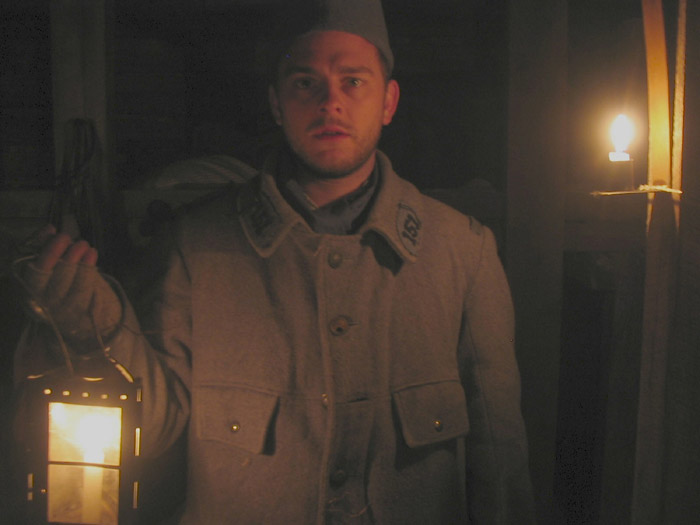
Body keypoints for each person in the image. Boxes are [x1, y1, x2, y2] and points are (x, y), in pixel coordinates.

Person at [14, 1, 534, 522]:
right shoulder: (196, 250)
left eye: (353, 81)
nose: (330, 102)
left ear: (388, 101)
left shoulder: (462, 253)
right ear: (277, 103)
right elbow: (154, 427)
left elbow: (500, 458)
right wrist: (97, 330)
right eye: (306, 82)